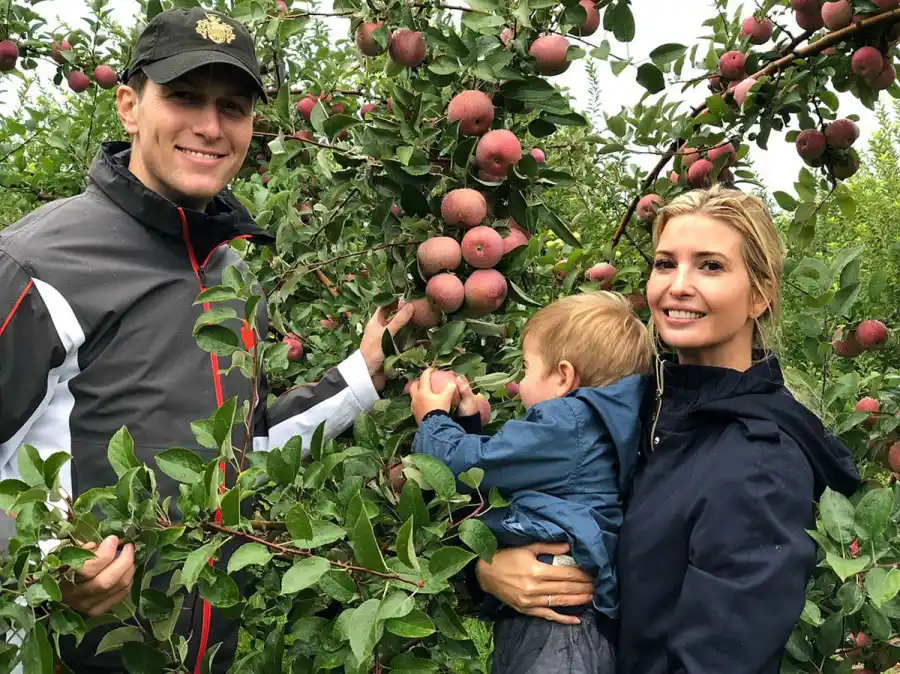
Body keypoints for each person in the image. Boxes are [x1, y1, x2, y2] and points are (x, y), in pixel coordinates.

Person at [0, 8, 413, 672]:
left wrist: (363, 374)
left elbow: (241, 452)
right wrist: (51, 563)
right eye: (185, 97)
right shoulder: (38, 264)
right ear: (129, 105)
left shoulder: (233, 274)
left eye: (233, 106)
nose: (210, 126)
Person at [471, 186, 860, 674]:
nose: (678, 284)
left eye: (710, 266)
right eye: (664, 263)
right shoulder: (641, 413)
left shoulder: (760, 463)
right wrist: (486, 570)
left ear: (759, 295)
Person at [409, 291, 653, 674]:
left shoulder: (567, 422)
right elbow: (496, 481)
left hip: (560, 627)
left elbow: (463, 466)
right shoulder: (595, 428)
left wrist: (433, 419)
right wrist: (469, 424)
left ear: (563, 377)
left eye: (525, 368)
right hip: (560, 612)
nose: (520, 382)